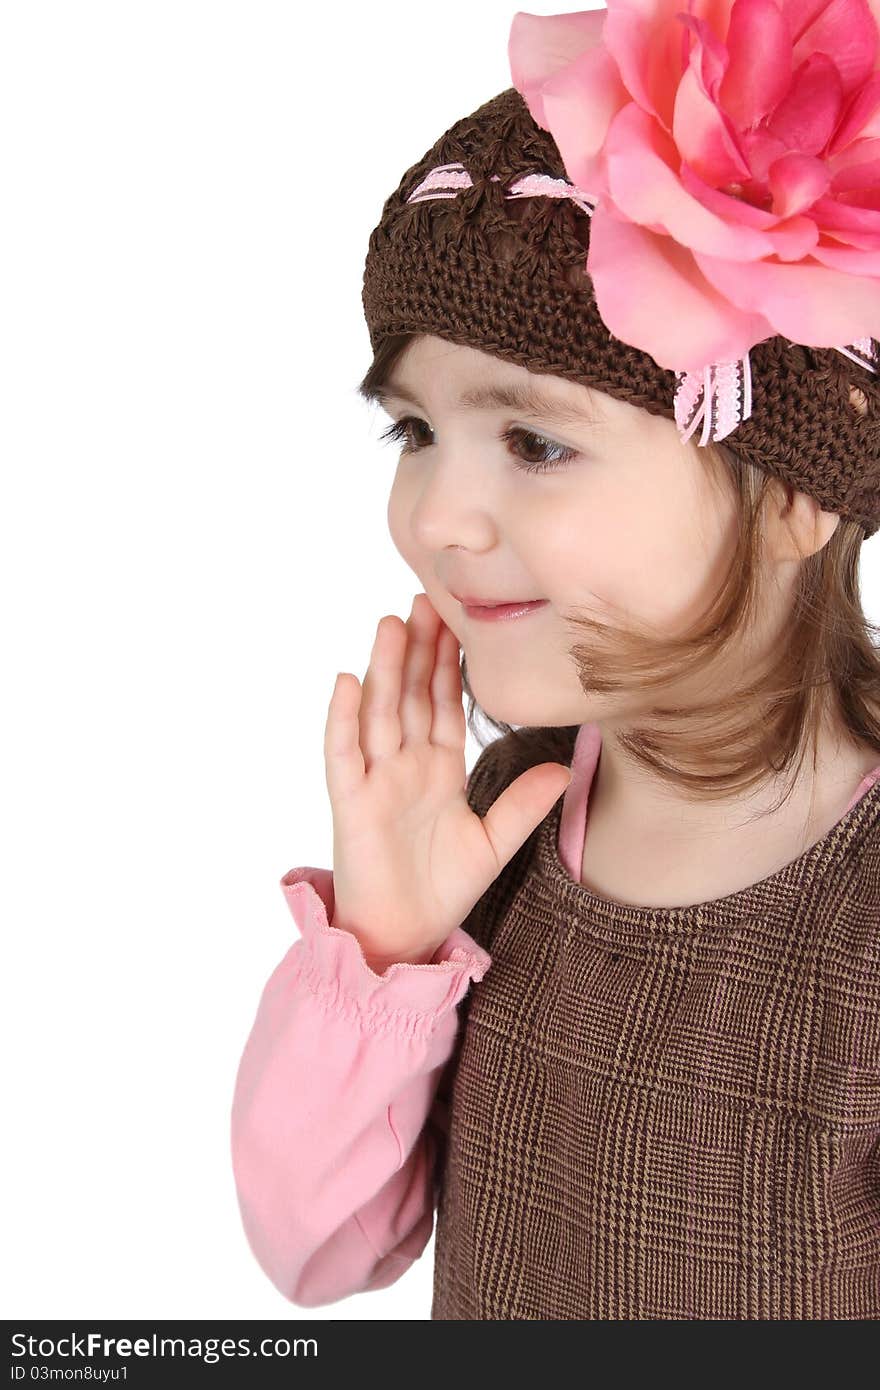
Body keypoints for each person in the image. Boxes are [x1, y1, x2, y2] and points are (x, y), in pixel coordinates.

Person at [231, 4, 880, 1318]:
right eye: (413, 429)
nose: (435, 518)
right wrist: (389, 943)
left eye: (533, 442)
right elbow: (319, 1248)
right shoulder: (506, 837)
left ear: (797, 495)